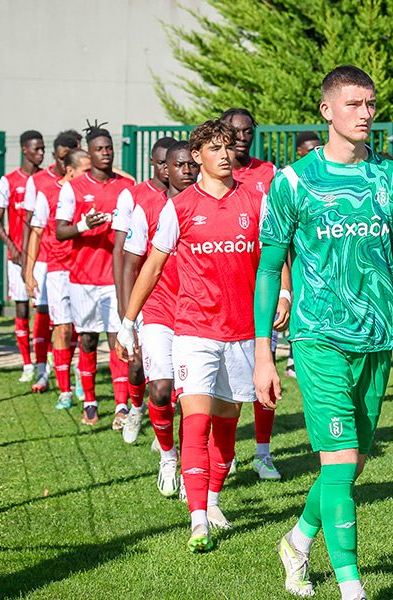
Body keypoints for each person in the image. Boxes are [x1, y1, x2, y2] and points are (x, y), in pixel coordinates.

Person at [254, 65, 393, 600]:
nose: (365, 113)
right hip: (317, 337)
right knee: (341, 459)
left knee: (350, 465)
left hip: (378, 338)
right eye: (354, 104)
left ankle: (297, 541)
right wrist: (263, 353)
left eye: (370, 104)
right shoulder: (292, 182)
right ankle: (352, 587)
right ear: (327, 110)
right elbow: (269, 268)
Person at [117, 118, 281, 552]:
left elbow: (274, 254)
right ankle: (197, 522)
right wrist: (128, 321)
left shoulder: (256, 199)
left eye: (228, 147)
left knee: (227, 425)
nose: (225, 155)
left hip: (243, 331)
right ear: (197, 157)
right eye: (215, 149)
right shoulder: (180, 207)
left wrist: (284, 291)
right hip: (194, 330)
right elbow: (152, 265)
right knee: (196, 421)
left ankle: (212, 502)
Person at [120, 140, 198, 496]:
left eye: (191, 164)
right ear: (164, 168)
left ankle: (192, 466)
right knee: (162, 389)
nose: (186, 171)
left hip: (198, 312)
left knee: (192, 397)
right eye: (178, 165)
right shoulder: (147, 208)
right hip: (159, 310)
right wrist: (127, 319)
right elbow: (130, 265)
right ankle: (168, 456)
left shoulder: (206, 204)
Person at [221, 107, 286, 480]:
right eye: (236, 131)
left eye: (248, 131)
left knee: (267, 370)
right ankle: (225, 451)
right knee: (225, 381)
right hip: (223, 292)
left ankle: (263, 453)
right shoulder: (212, 173)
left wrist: (285, 291)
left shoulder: (268, 173)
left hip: (261, 289)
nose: (243, 137)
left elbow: (281, 239)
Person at [55, 122, 135, 426]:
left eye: (109, 148)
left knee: (118, 340)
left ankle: (121, 406)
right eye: (99, 149)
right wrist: (84, 225)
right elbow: (60, 231)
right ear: (89, 153)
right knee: (88, 340)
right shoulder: (73, 188)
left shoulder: (127, 186)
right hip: (83, 277)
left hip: (115, 279)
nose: (106, 153)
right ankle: (89, 401)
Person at [111, 136, 176, 443]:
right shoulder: (136, 197)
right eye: (161, 163)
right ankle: (136, 408)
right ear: (153, 162)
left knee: (171, 376)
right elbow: (123, 256)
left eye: (171, 163)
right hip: (147, 299)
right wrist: (126, 308)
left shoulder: (190, 198)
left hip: (181, 302)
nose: (166, 169)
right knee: (136, 365)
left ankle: (166, 434)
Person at [26, 148, 91, 409]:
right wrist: (29, 271)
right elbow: (36, 232)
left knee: (82, 330)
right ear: (70, 171)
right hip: (57, 269)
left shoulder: (91, 192)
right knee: (62, 328)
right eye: (86, 170)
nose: (91, 174)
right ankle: (64, 390)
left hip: (83, 268)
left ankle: (79, 375)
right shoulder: (47, 193)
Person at [0, 130, 45, 382]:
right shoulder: (8, 181)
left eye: (43, 148)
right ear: (24, 150)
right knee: (22, 308)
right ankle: (27, 364)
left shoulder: (45, 180)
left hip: (42, 257)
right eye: (36, 149)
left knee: (43, 311)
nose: (41, 153)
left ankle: (45, 362)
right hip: (17, 258)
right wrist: (11, 246)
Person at [284, 131, 323, 380]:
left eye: (318, 148)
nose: (314, 154)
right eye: (309, 150)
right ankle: (293, 358)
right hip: (295, 258)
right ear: (299, 151)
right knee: (296, 304)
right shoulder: (289, 178)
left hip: (320, 258)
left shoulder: (325, 177)